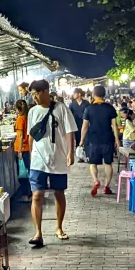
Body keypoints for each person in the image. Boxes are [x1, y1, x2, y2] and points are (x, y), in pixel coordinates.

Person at [27, 79, 78, 248]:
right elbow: (31, 135)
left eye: (36, 93)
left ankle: (59, 227)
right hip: (38, 160)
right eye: (32, 94)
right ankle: (38, 233)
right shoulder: (32, 112)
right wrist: (29, 154)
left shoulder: (61, 109)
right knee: (37, 195)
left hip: (58, 157)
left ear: (45, 91)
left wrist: (71, 152)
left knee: (58, 193)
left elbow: (70, 131)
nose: (34, 97)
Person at [80, 84, 120, 196]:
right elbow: (114, 125)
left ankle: (96, 180)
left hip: (93, 139)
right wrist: (117, 140)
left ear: (93, 94)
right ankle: (107, 186)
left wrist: (81, 140)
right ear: (104, 94)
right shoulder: (110, 108)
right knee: (108, 163)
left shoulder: (89, 108)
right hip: (107, 139)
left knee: (92, 163)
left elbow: (85, 126)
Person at [13, 99, 32, 203]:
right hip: (27, 147)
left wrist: (19, 151)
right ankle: (30, 193)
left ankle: (25, 195)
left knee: (22, 174)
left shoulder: (20, 119)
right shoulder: (27, 117)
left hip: (23, 149)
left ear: (17, 109)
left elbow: (20, 136)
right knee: (28, 171)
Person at [69, 88, 90, 159]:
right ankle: (80, 156)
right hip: (76, 124)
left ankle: (87, 154)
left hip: (85, 123)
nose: (73, 95)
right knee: (78, 138)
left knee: (86, 138)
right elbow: (70, 115)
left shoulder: (86, 103)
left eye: (75, 93)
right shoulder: (72, 104)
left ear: (79, 94)